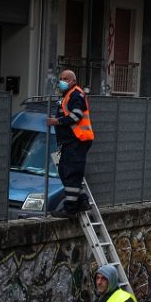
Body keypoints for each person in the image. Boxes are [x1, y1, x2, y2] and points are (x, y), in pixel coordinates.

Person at [47, 69, 94, 218]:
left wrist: (57, 121)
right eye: (61, 78)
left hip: (78, 141)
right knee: (64, 171)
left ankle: (70, 209)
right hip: (71, 142)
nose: (62, 81)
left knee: (72, 174)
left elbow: (76, 116)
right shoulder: (67, 95)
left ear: (73, 81)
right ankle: (82, 201)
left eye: (65, 79)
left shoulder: (76, 94)